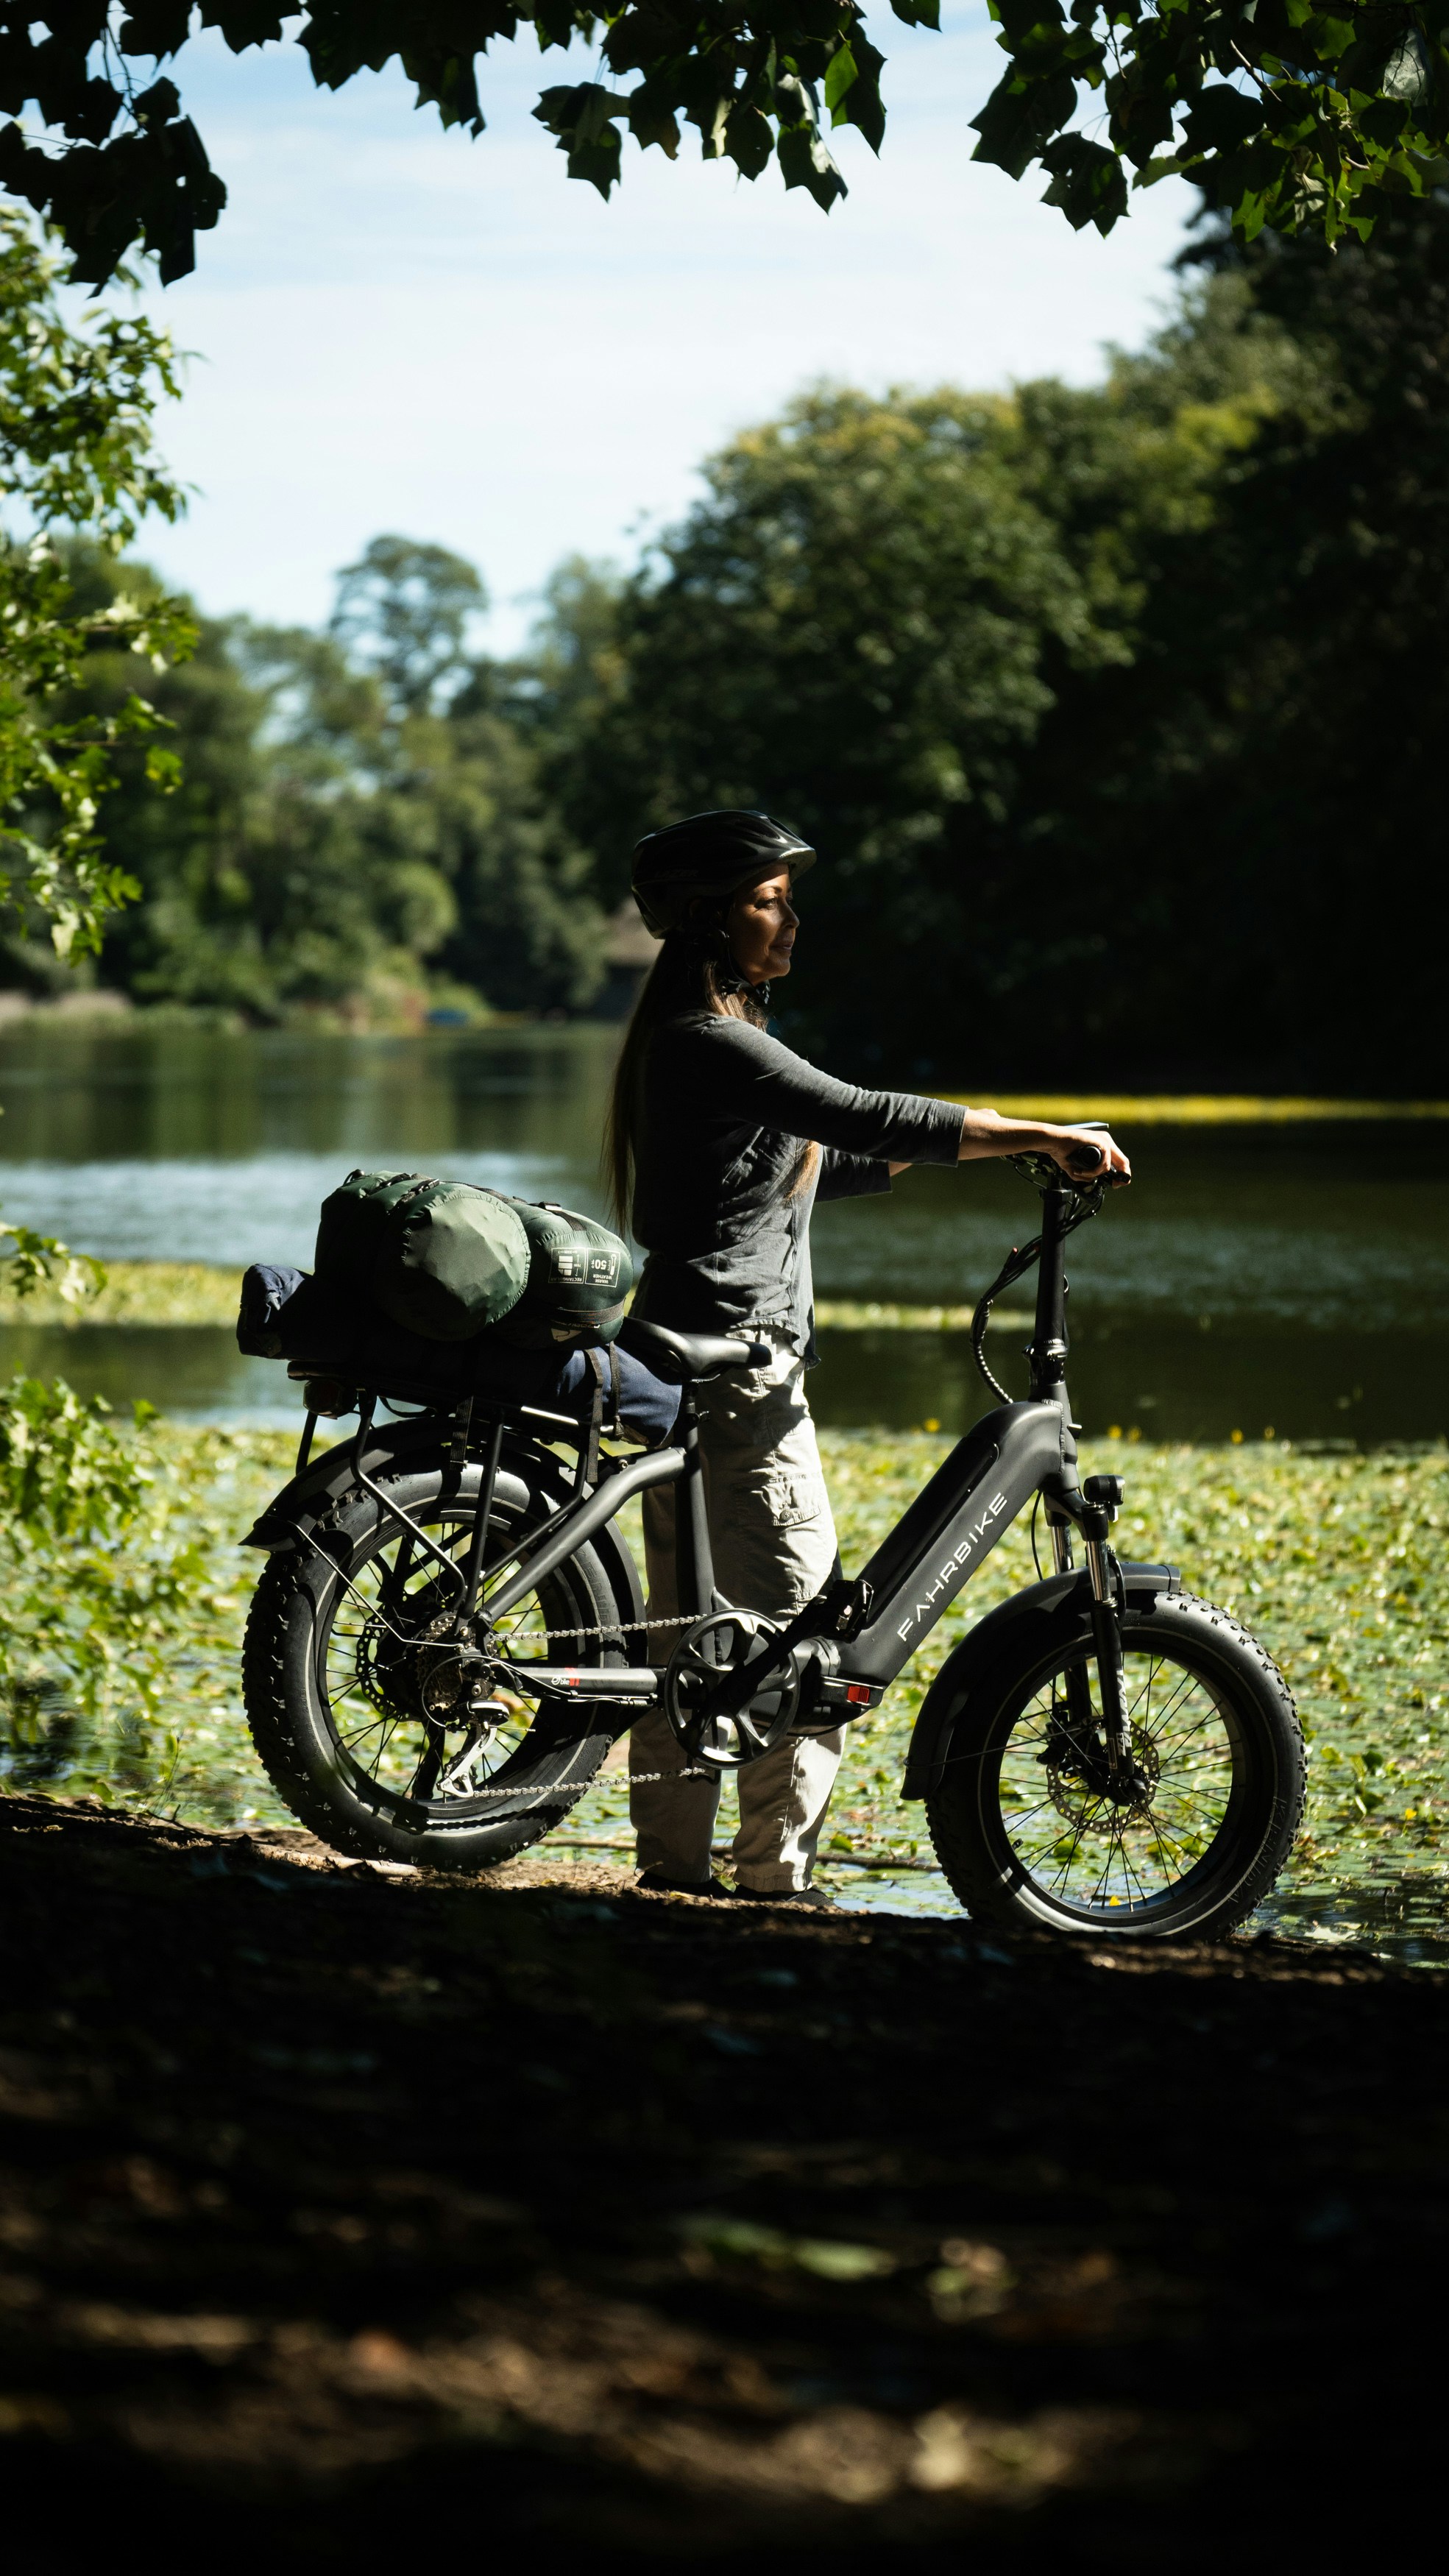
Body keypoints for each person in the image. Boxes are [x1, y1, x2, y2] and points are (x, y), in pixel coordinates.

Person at [607, 808, 1131, 1906]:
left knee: (691, 1635)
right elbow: (857, 1110)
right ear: (710, 920)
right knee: (808, 1637)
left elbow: (818, 1156)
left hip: (681, 1358)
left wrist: (952, 1154)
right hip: (740, 1367)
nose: (789, 915)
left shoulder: (692, 1045)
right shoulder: (712, 1040)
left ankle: (672, 1874)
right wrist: (1032, 1133)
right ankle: (772, 1884)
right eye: (767, 899)